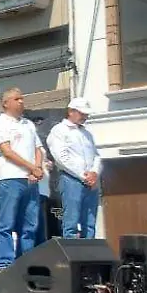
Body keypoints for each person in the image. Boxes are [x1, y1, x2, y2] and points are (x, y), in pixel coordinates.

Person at [0, 88, 45, 271]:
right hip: (10, 178)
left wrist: (36, 168)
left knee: (30, 225)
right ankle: (5, 263)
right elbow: (6, 151)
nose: (21, 101)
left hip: (30, 181)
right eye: (17, 99)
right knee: (6, 223)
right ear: (6, 103)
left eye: (22, 98)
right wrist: (32, 168)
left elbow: (38, 148)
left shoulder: (28, 124)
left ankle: (26, 261)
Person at [47, 98, 102, 239]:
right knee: (71, 221)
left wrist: (95, 172)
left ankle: (90, 254)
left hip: (90, 181)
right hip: (71, 179)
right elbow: (61, 157)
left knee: (89, 222)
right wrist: (84, 175)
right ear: (71, 111)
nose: (85, 117)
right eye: (82, 113)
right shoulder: (59, 130)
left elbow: (96, 155)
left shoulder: (87, 133)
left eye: (86, 114)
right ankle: (72, 255)